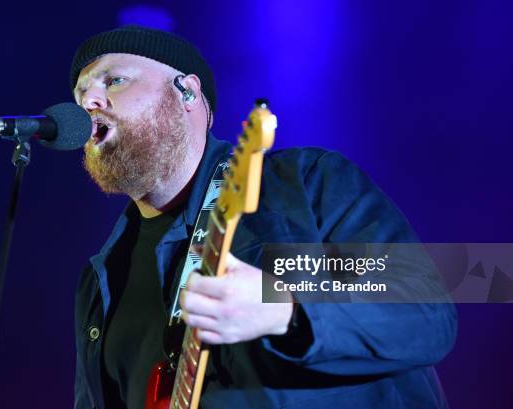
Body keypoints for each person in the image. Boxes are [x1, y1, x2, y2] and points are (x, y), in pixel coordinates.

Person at [70, 25, 457, 409]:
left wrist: (282, 311)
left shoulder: (303, 185)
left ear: (187, 90)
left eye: (114, 80)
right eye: (81, 95)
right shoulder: (102, 278)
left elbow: (425, 314)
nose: (90, 102)